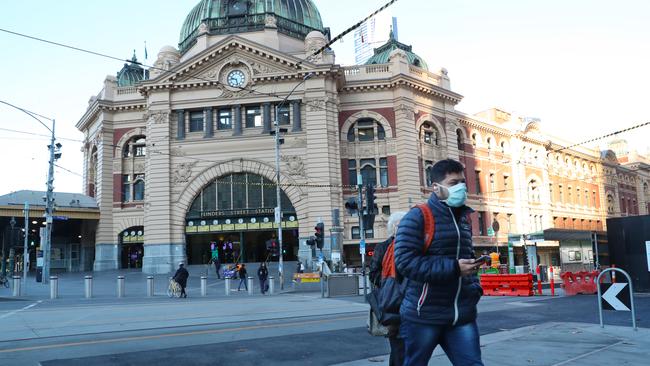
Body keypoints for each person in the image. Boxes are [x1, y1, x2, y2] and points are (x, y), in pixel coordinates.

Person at [394, 159, 484, 366]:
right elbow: (405, 262)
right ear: (436, 187)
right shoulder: (417, 216)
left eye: (463, 182)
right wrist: (454, 268)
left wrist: (474, 287)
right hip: (423, 316)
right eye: (454, 183)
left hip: (461, 315)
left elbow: (466, 257)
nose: (461, 187)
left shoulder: (463, 218)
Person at [369, 211, 408, 366]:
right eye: (399, 225)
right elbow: (373, 274)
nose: (402, 228)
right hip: (393, 303)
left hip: (412, 301)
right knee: (398, 348)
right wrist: (390, 283)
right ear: (393, 228)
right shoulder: (383, 247)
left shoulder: (414, 246)